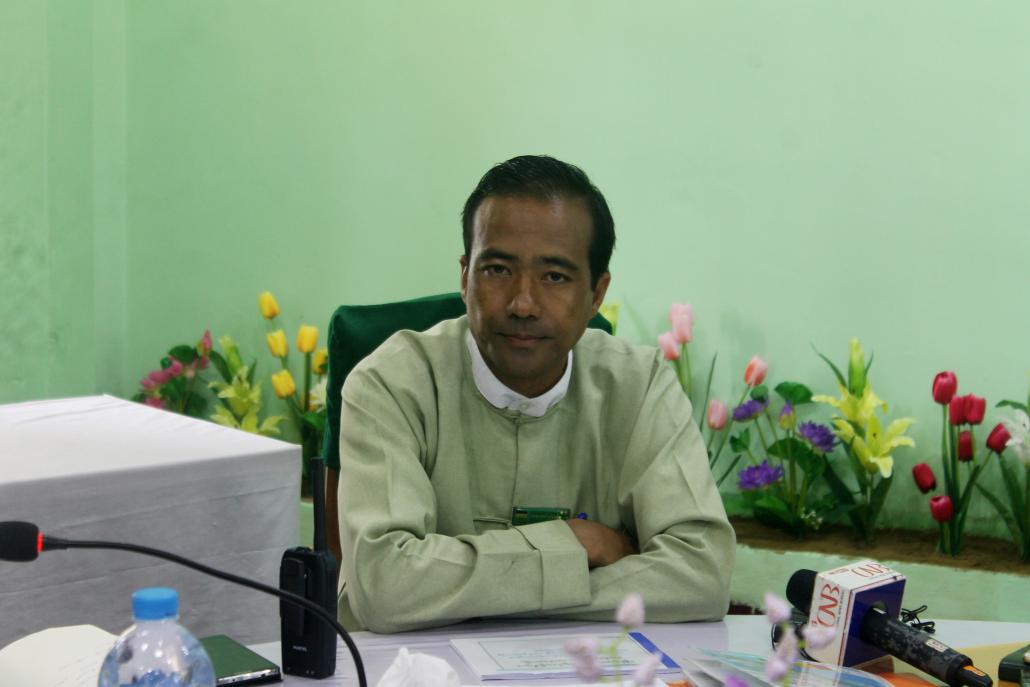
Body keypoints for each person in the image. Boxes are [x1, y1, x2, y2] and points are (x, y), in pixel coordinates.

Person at [335, 155, 735, 633]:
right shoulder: (391, 383)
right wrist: (572, 546)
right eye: (498, 270)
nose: (523, 303)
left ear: (596, 293)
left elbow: (703, 573)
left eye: (555, 277)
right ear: (464, 277)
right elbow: (385, 587)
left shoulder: (639, 384)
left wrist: (464, 588)